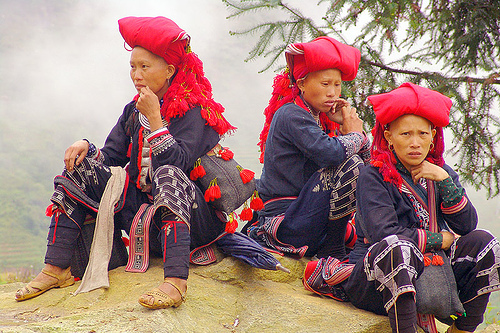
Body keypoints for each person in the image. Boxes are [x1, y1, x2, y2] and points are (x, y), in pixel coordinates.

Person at [14, 16, 258, 309]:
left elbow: (178, 163)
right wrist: (86, 147)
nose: (136, 74)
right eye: (133, 66)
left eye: (145, 66)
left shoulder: (194, 112)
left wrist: (156, 120)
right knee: (81, 170)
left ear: (169, 70)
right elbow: (112, 156)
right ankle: (57, 268)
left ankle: (176, 281)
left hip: (193, 220)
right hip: (144, 214)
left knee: (168, 173)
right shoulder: (133, 109)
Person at [341, 82, 500, 333]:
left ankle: (462, 332)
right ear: (389, 137)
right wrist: (442, 239)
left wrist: (446, 182)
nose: (415, 142)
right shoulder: (373, 175)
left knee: (486, 244)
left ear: (433, 137)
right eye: (405, 134)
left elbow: (468, 225)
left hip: (433, 274)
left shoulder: (440, 172)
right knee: (397, 247)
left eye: (422, 134)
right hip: (378, 280)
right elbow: (383, 233)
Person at [246, 36, 371, 300]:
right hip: (287, 221)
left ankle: (335, 248)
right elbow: (330, 153)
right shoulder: (291, 114)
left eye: (337, 85)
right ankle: (333, 251)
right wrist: (357, 135)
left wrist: (347, 130)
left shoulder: (317, 120)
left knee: (357, 166)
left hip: (307, 219)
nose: (333, 93)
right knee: (349, 163)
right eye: (325, 84)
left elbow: (369, 170)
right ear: (302, 83)